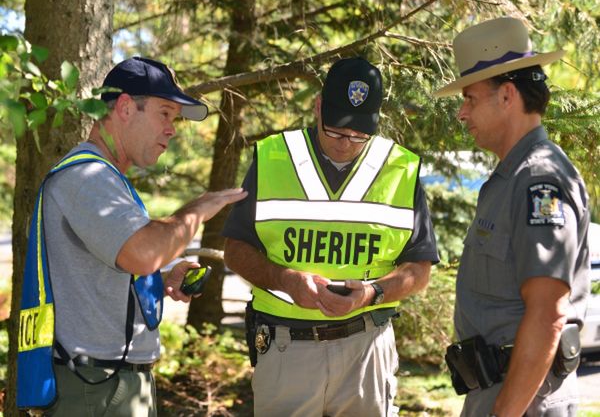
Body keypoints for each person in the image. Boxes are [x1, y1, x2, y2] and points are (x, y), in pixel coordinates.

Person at [17, 56, 247, 416]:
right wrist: (198, 209)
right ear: (125, 107)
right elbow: (141, 253)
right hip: (95, 389)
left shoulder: (106, 178)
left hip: (106, 384)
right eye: (165, 114)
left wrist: (160, 279)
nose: (172, 129)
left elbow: (111, 267)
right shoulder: (87, 177)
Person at [222, 56, 439, 416]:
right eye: (336, 131)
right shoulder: (274, 156)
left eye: (358, 135)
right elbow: (234, 249)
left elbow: (419, 268)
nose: (345, 144)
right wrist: (285, 279)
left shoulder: (402, 168)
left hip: (367, 349)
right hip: (286, 347)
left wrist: (372, 293)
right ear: (318, 106)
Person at [434, 17, 590, 416]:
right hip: (506, 394)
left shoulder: (539, 180)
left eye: (470, 98)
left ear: (507, 95)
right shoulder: (511, 178)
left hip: (524, 402)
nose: (461, 114)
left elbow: (547, 314)